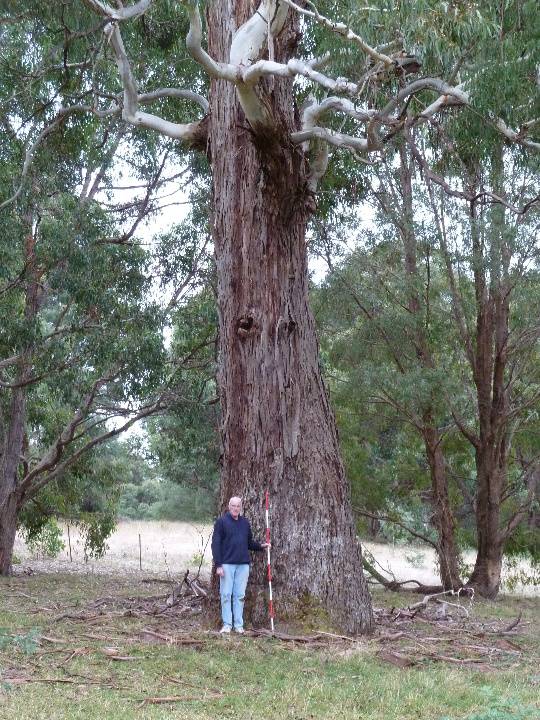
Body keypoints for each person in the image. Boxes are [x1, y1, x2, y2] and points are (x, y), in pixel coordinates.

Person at [211, 496, 269, 634]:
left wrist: (261, 546)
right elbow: (215, 544)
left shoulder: (245, 523)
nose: (236, 508)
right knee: (226, 594)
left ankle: (238, 625)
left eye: (238, 506)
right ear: (229, 506)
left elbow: (248, 543)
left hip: (243, 565)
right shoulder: (221, 522)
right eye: (233, 506)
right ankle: (227, 625)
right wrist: (218, 565)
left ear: (241, 507)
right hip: (226, 565)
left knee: (239, 595)